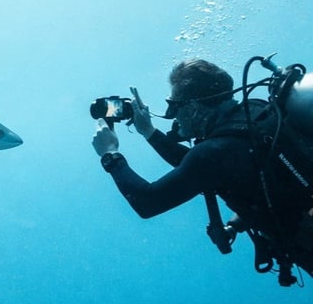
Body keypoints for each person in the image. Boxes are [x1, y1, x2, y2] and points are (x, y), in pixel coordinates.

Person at [92, 59, 313, 286]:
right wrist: (148, 131)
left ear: (194, 108)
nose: (172, 116)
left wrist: (110, 155)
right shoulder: (255, 113)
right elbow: (205, 168)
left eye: (174, 106)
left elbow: (147, 202)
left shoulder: (215, 153)